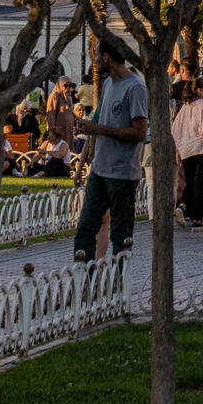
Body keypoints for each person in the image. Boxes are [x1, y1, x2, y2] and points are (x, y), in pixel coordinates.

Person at [72, 42, 148, 262]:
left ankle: (118, 285)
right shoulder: (107, 84)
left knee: (121, 235)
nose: (94, 62)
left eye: (96, 57)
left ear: (106, 57)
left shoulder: (134, 87)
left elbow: (140, 132)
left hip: (122, 174)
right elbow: (100, 122)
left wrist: (99, 129)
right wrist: (91, 128)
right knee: (85, 228)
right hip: (99, 170)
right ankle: (84, 280)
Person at [172, 75, 203, 227]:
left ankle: (183, 208)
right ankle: (197, 218)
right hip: (201, 148)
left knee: (191, 182)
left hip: (186, 150)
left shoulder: (185, 108)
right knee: (200, 184)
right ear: (199, 91)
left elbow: (175, 131)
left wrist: (178, 152)